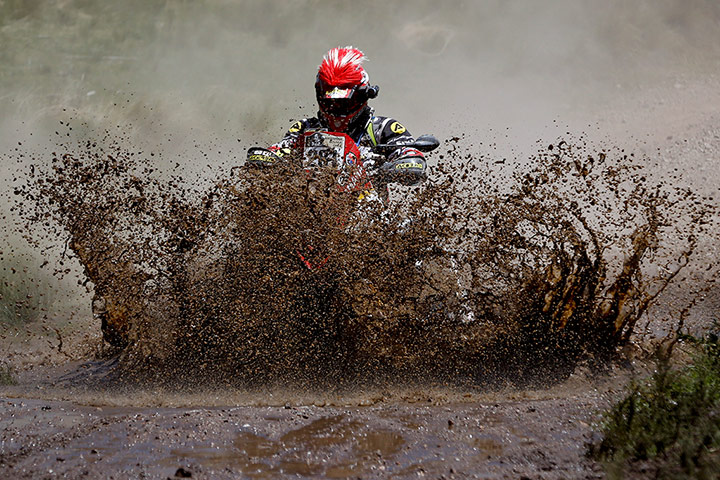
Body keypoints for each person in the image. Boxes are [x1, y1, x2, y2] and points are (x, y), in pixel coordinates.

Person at [247, 46, 427, 196]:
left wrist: (398, 165)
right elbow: (281, 149)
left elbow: (410, 154)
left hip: (372, 217)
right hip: (310, 213)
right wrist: (267, 159)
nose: (336, 110)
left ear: (363, 96)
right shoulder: (306, 128)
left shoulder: (383, 128)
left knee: (410, 231)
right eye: (330, 102)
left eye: (344, 103)